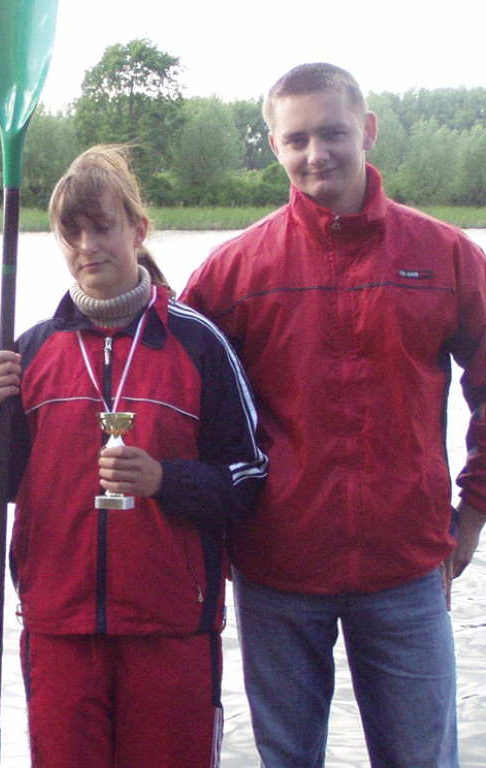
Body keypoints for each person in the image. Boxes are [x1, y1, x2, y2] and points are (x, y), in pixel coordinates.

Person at [180, 62, 486, 768]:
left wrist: (471, 514)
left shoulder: (444, 257)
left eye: (333, 133)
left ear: (367, 130)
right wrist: (211, 531)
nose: (316, 154)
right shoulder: (234, 272)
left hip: (407, 568)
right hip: (275, 569)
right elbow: (181, 407)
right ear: (274, 146)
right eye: (297, 139)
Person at [0, 145, 268, 767]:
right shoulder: (29, 351)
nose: (87, 246)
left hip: (170, 626)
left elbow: (248, 478)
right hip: (58, 624)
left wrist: (165, 481)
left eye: (102, 227)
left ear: (138, 229)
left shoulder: (198, 343)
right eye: (70, 233)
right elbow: (3, 481)